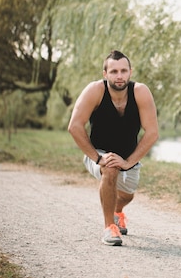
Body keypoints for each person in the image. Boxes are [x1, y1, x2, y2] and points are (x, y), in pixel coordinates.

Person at [68, 50, 159, 246]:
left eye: (123, 71)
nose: (119, 76)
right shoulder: (95, 91)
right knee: (110, 169)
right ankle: (110, 228)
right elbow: (74, 126)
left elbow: (152, 133)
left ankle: (118, 212)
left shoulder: (140, 92)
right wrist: (98, 158)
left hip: (129, 158)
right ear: (105, 74)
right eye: (114, 71)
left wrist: (128, 163)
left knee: (127, 195)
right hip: (99, 154)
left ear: (130, 72)